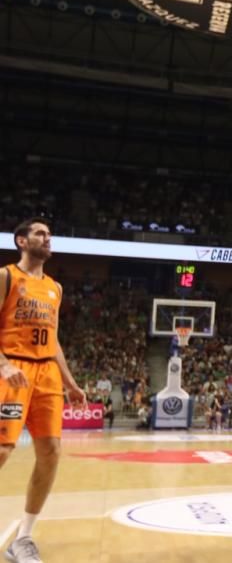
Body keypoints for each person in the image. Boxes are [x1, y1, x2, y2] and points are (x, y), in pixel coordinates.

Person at [0, 218, 87, 563]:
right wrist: (3, 364)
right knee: (3, 450)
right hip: (13, 370)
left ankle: (23, 538)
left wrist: (70, 383)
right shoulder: (7, 277)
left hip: (47, 374)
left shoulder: (56, 288)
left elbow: (53, 341)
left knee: (50, 451)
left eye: (50, 234)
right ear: (21, 241)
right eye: (40, 233)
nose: (47, 238)